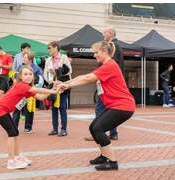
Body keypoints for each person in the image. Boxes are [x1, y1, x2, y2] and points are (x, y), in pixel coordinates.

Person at [55, 41, 135, 170]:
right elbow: (85, 76)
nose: (94, 55)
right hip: (116, 106)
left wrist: (68, 85)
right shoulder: (105, 66)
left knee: (98, 129)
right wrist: (65, 83)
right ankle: (104, 156)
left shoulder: (110, 66)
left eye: (96, 52)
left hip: (123, 106)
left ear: (105, 51)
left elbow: (87, 79)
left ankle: (112, 162)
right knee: (93, 127)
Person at [0, 65, 59, 170]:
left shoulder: (28, 90)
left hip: (3, 110)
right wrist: (52, 91)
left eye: (30, 74)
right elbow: (37, 89)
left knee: (15, 132)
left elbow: (40, 97)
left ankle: (17, 157)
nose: (28, 76)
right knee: (12, 133)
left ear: (33, 76)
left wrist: (52, 89)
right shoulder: (21, 85)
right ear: (21, 77)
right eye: (25, 74)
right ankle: (11, 161)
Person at [86, 28, 123, 141]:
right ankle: (113, 133)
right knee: (110, 107)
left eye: (104, 33)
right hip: (111, 81)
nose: (103, 35)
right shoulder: (116, 45)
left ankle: (98, 132)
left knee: (100, 107)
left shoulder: (111, 46)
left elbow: (109, 64)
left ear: (111, 34)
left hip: (107, 81)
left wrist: (100, 76)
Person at [44, 41, 72, 137]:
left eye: (50, 48)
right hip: (53, 86)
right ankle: (55, 129)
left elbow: (69, 70)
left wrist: (58, 71)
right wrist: (51, 81)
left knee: (62, 106)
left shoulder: (64, 57)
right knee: (54, 108)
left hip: (63, 85)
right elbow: (45, 73)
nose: (48, 50)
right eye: (48, 48)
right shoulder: (48, 60)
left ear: (56, 48)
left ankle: (64, 129)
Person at [13, 51, 44, 133]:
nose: (23, 59)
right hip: (21, 93)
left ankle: (28, 127)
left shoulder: (36, 68)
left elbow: (41, 80)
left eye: (25, 57)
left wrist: (35, 88)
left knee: (29, 110)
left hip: (30, 94)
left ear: (30, 59)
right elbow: (16, 78)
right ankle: (14, 127)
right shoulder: (20, 67)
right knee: (17, 108)